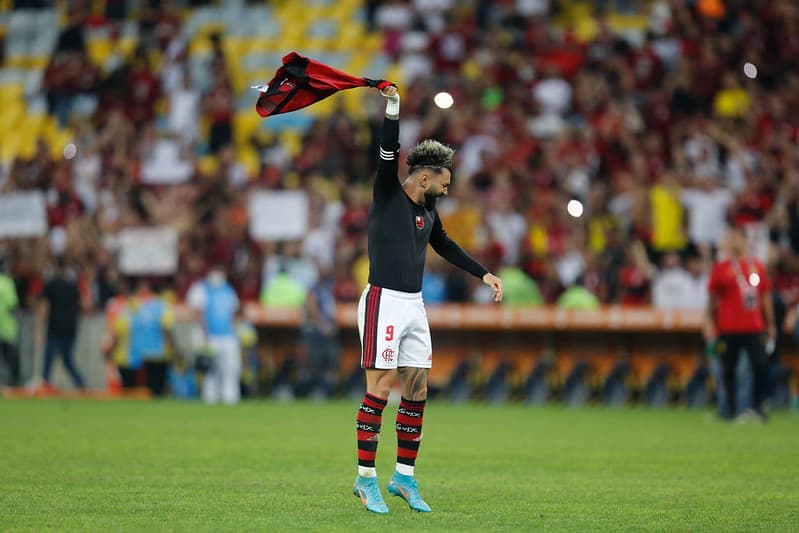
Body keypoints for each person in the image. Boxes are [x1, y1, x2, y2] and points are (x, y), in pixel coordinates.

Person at [352, 85, 503, 514]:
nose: (447, 190)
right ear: (424, 177)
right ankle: (365, 480)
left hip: (414, 305)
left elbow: (446, 245)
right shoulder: (387, 193)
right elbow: (387, 150)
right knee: (380, 389)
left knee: (417, 390)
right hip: (383, 301)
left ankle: (403, 477)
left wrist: (483, 273)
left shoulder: (428, 211)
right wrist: (393, 108)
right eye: (444, 182)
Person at [704, 226, 775, 421]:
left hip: (754, 327)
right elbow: (712, 298)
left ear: (745, 241)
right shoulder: (721, 268)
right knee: (728, 369)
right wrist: (708, 320)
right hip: (728, 328)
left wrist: (770, 323)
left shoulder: (757, 267)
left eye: (737, 238)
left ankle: (757, 407)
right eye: (731, 238)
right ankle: (731, 410)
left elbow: (765, 296)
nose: (733, 242)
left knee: (760, 365)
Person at [187, 266, 241, 404]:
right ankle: (210, 397)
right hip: (210, 335)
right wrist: (203, 333)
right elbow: (197, 312)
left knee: (231, 368)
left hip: (228, 335)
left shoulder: (228, 289)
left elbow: (235, 311)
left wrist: (234, 329)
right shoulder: (201, 288)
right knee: (210, 369)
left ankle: (230, 398)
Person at [39, 257, 86, 390]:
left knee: (49, 358)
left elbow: (45, 307)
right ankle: (80, 383)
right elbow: (82, 305)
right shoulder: (72, 287)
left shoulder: (50, 285)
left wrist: (39, 328)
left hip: (54, 327)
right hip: (70, 327)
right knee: (67, 359)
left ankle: (45, 383)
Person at [0, 255, 20, 386]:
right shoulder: (7, 283)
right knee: (10, 359)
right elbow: (13, 304)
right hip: (6, 327)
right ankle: (12, 384)